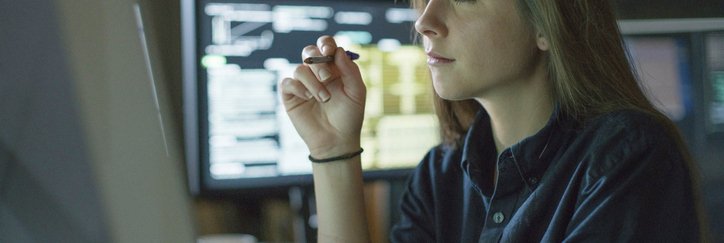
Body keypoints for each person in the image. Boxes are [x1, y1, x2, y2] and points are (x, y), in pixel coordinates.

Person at [279, 0, 707, 242]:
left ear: (547, 25)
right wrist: (333, 150)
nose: (425, 22)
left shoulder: (627, 159)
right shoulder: (440, 175)